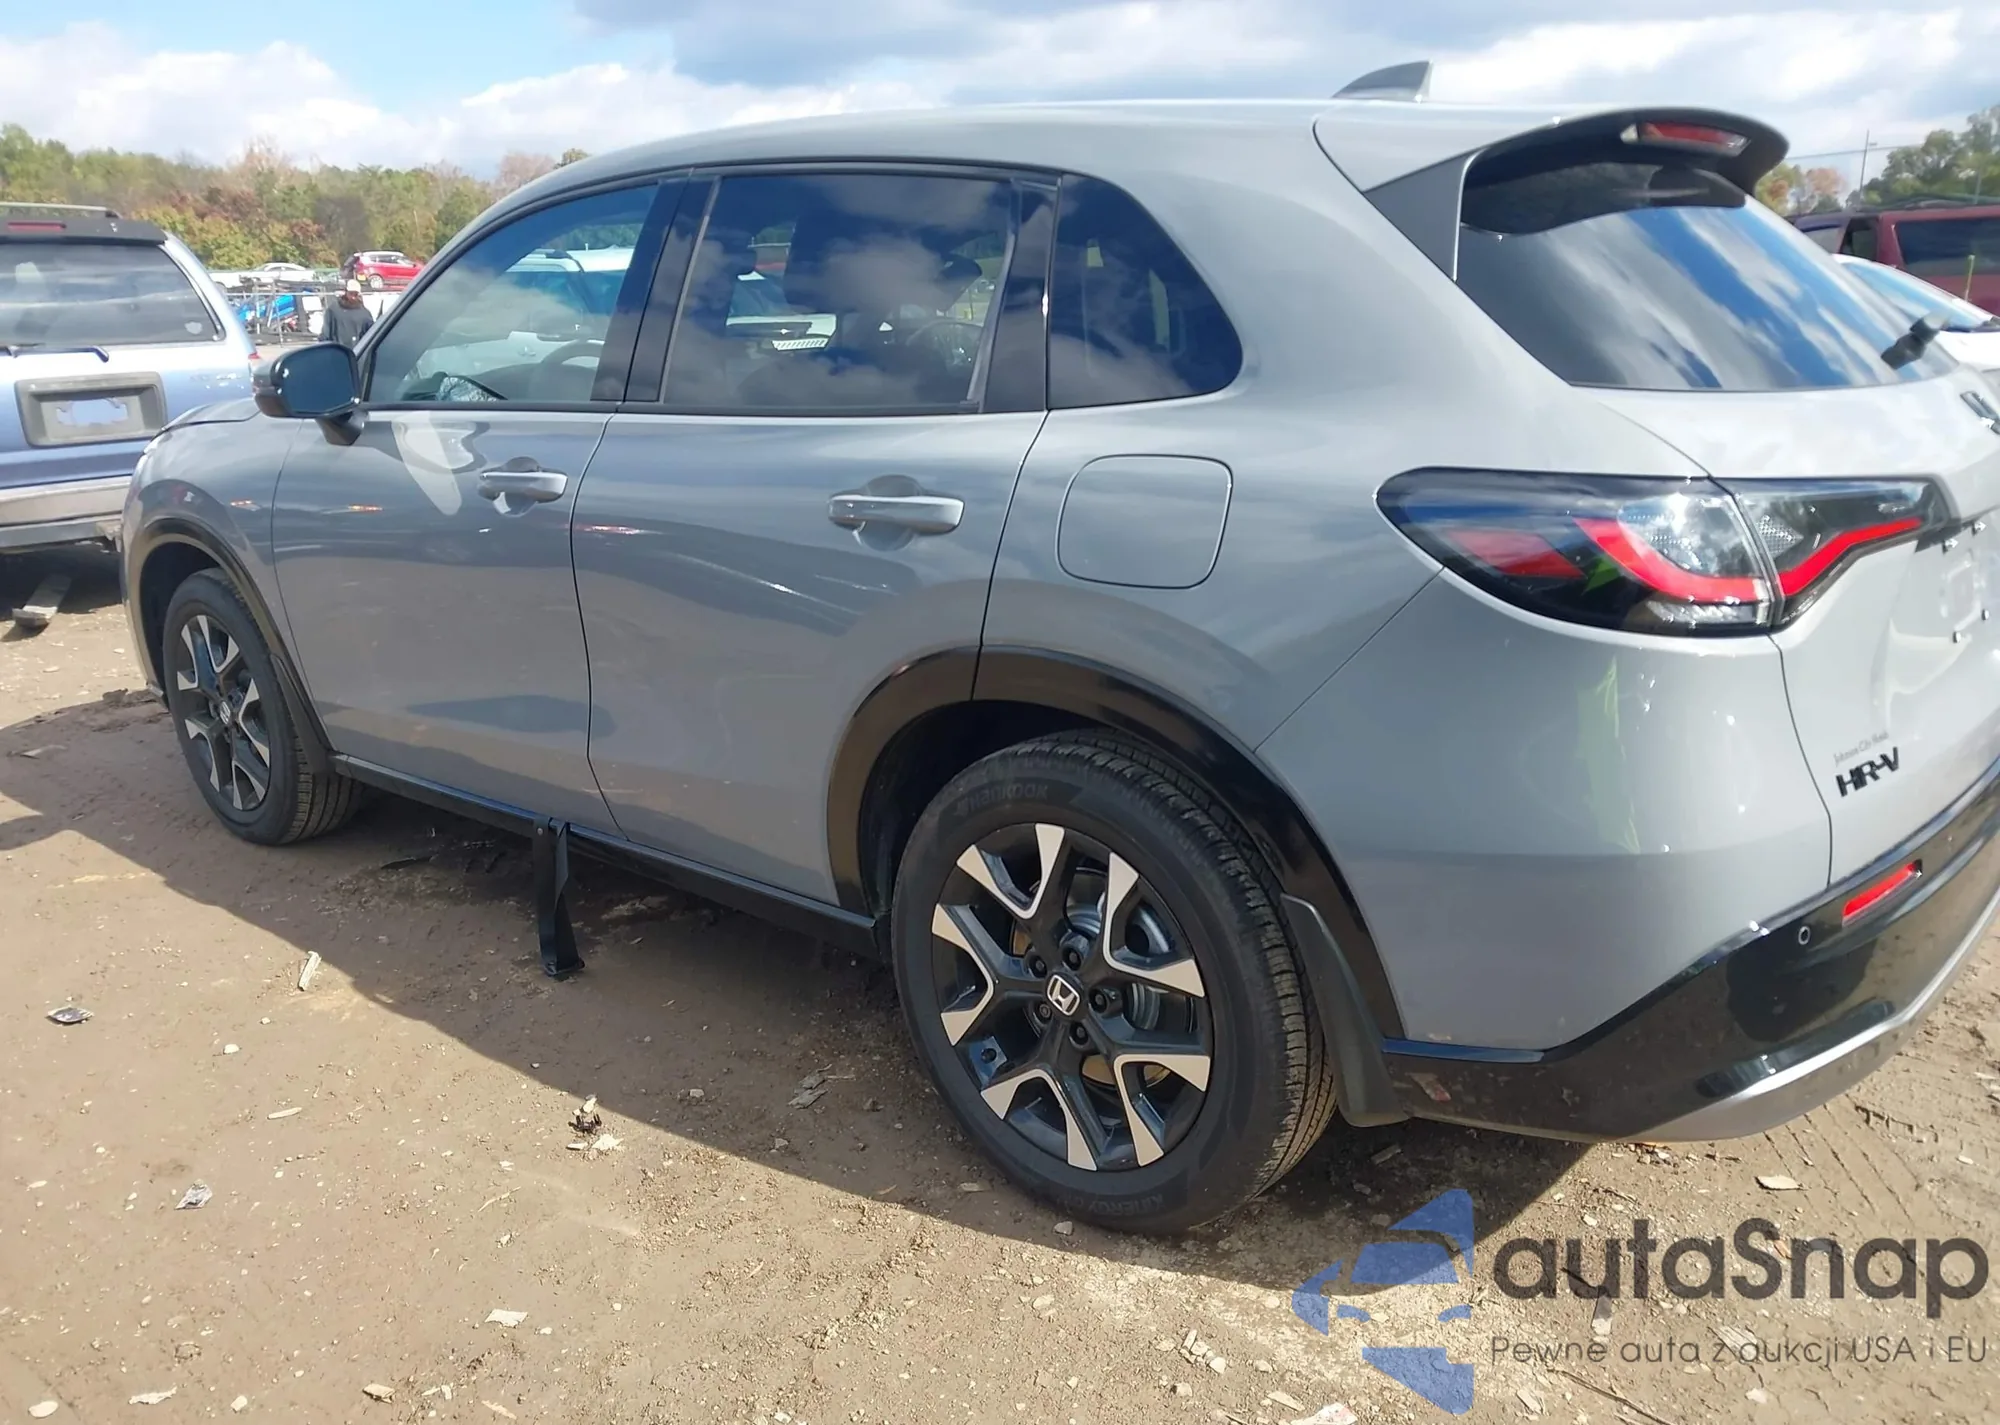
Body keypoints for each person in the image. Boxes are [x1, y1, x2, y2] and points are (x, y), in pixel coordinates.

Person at [325, 279, 375, 349]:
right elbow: (326, 332)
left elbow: (371, 335)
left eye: (355, 294)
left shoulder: (364, 313)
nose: (353, 297)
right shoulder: (334, 310)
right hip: (338, 350)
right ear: (346, 292)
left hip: (357, 351)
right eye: (351, 293)